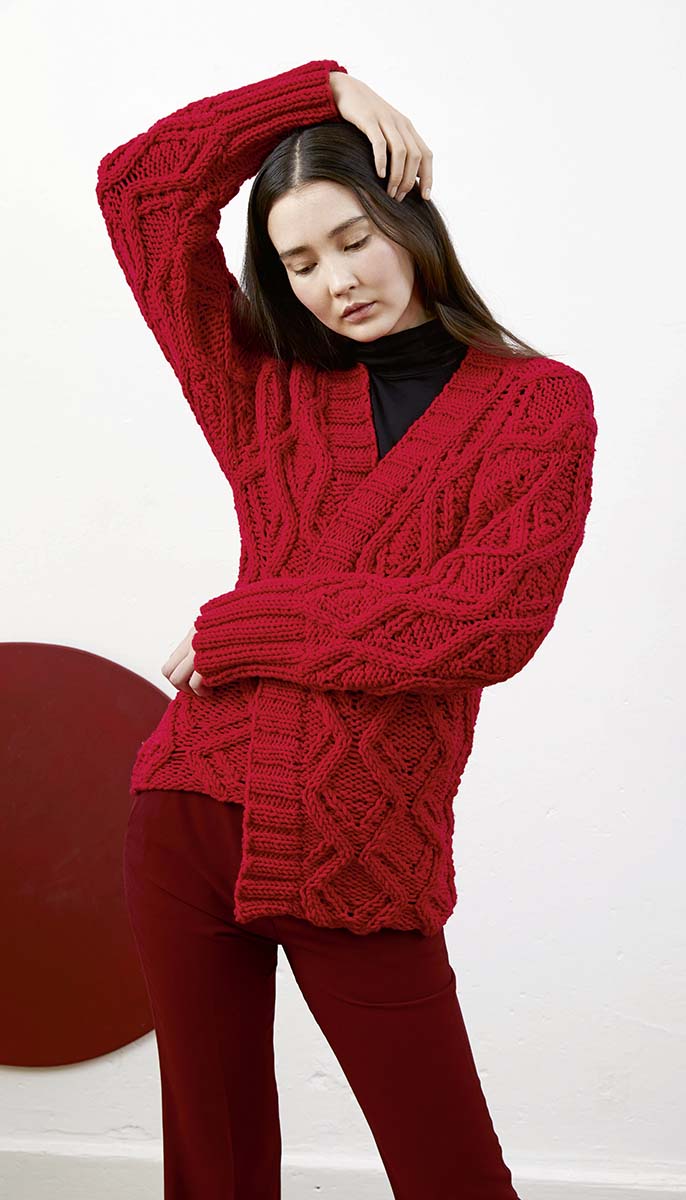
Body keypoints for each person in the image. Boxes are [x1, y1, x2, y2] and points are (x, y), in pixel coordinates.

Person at [97, 57, 597, 1200]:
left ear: (405, 215)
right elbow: (140, 188)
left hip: (362, 846)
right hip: (186, 814)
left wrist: (248, 627)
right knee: (216, 1175)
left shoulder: (538, 404)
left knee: (450, 1175)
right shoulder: (260, 384)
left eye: (353, 240)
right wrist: (319, 92)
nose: (336, 281)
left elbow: (489, 620)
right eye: (299, 262)